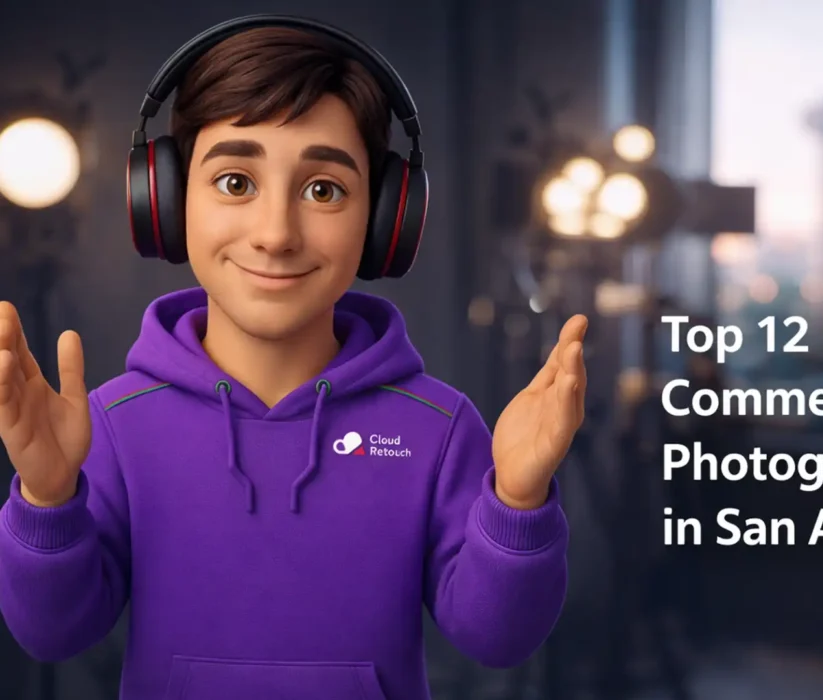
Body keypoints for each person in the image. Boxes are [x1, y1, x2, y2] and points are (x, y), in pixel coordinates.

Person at [0, 18, 586, 700]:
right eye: (235, 183)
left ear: (384, 219)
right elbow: (53, 634)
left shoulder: (439, 425)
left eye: (323, 190)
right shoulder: (109, 423)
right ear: (163, 200)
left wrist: (518, 501)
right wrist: (47, 500)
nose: (276, 235)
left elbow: (497, 639)